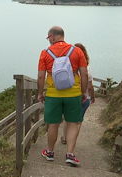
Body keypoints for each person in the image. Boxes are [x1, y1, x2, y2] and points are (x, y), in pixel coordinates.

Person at [37, 26, 88, 166]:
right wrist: (84, 92)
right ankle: (70, 154)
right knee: (72, 123)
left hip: (53, 94)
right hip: (73, 93)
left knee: (53, 124)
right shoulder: (77, 51)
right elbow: (84, 74)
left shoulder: (45, 53)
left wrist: (40, 93)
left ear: (53, 37)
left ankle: (50, 152)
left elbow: (41, 76)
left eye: (48, 38)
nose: (48, 41)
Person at [61, 43, 95, 144]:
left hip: (69, 95)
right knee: (78, 121)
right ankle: (72, 139)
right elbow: (90, 86)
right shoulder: (87, 68)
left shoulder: (68, 67)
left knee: (67, 118)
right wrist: (92, 96)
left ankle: (64, 138)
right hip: (83, 97)